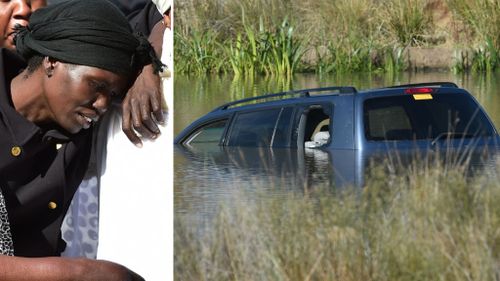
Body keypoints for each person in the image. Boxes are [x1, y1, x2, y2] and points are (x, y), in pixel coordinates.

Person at [0, 0, 163, 279]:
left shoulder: (74, 123)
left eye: (112, 94)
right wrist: (80, 272)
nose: (102, 105)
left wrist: (150, 68)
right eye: (97, 86)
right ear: (52, 61)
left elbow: (153, 16)